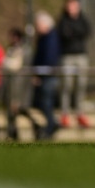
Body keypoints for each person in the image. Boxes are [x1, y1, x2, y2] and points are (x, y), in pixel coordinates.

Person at [57, 0, 91, 128]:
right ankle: (64, 114)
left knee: (81, 85)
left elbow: (86, 32)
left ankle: (80, 113)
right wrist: (76, 32)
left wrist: (73, 32)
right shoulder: (63, 20)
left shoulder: (83, 19)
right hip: (67, 57)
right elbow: (64, 34)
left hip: (81, 56)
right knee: (67, 86)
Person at [30, 10, 60, 140]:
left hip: (47, 75)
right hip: (45, 74)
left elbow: (48, 58)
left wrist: (40, 74)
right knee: (44, 102)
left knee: (46, 102)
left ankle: (51, 125)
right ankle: (50, 125)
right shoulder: (45, 38)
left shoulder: (50, 38)